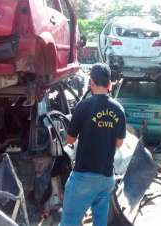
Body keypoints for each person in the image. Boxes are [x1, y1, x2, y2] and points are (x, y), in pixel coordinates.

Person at [60, 63, 126, 226]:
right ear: (109, 84)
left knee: (70, 221)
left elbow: (70, 140)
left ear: (91, 82)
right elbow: (119, 143)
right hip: (106, 178)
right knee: (100, 222)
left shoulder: (83, 106)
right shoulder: (118, 109)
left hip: (84, 176)